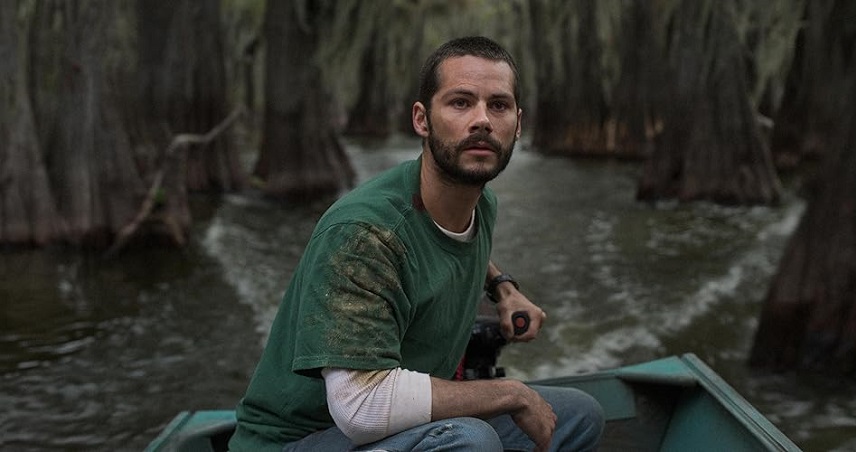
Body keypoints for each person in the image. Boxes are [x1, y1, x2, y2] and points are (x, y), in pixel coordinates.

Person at [228, 36, 604, 452]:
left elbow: (450, 244)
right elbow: (361, 408)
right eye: (460, 102)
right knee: (469, 441)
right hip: (299, 440)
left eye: (497, 105)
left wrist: (503, 288)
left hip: (392, 431)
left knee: (579, 415)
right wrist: (509, 393)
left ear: (518, 123)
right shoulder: (363, 234)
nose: (481, 120)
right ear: (422, 120)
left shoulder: (480, 204)